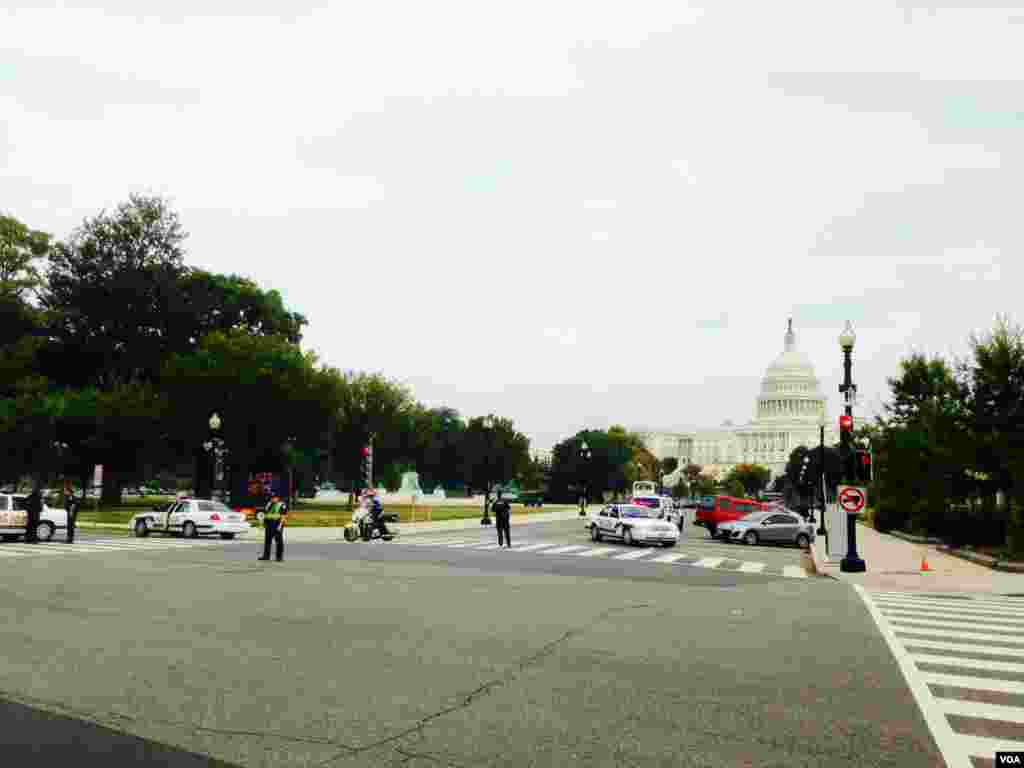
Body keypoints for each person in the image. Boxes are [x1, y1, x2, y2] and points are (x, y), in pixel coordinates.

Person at [258, 493, 287, 562]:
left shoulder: (282, 505)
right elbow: (265, 513)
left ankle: (279, 557)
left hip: (277, 524)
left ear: (278, 498)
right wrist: (263, 523)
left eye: (274, 498)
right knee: (267, 540)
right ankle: (266, 556)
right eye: (272, 498)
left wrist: (280, 526)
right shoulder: (269, 504)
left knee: (279, 541)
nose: (272, 499)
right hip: (269, 524)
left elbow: (283, 516)